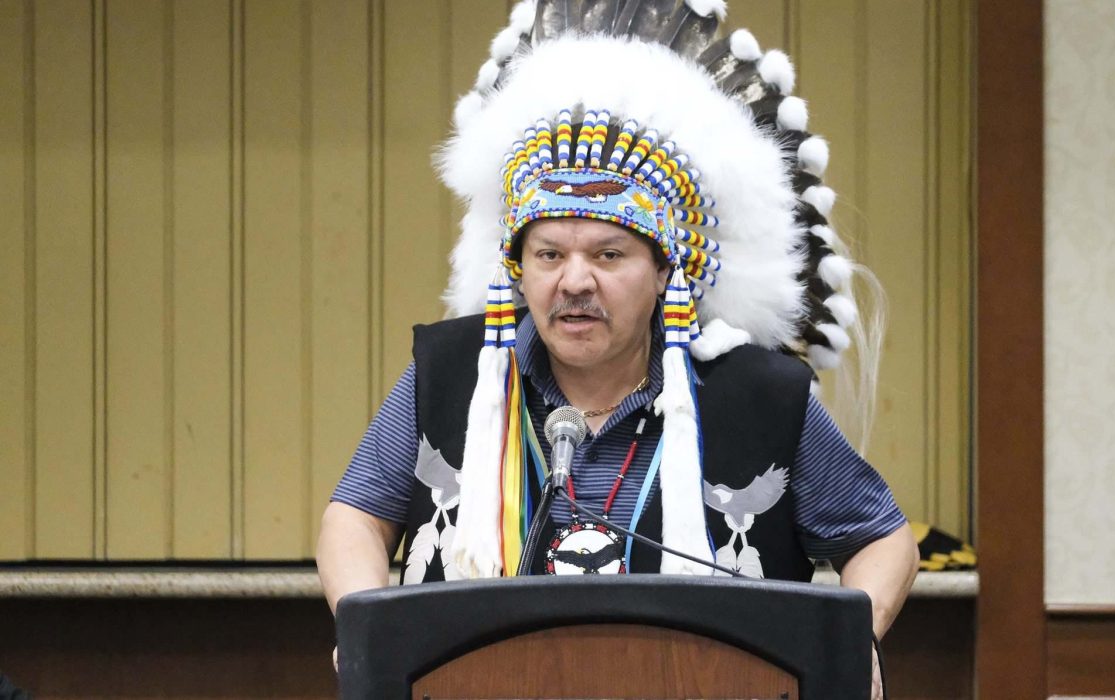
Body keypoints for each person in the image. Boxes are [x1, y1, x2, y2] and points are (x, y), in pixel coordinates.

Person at [317, 1, 918, 695]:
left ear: (666, 272)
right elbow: (354, 517)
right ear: (517, 268)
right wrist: (362, 625)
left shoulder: (755, 394)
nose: (575, 282)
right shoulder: (451, 374)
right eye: (548, 254)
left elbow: (883, 541)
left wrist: (853, 646)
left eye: (609, 254)